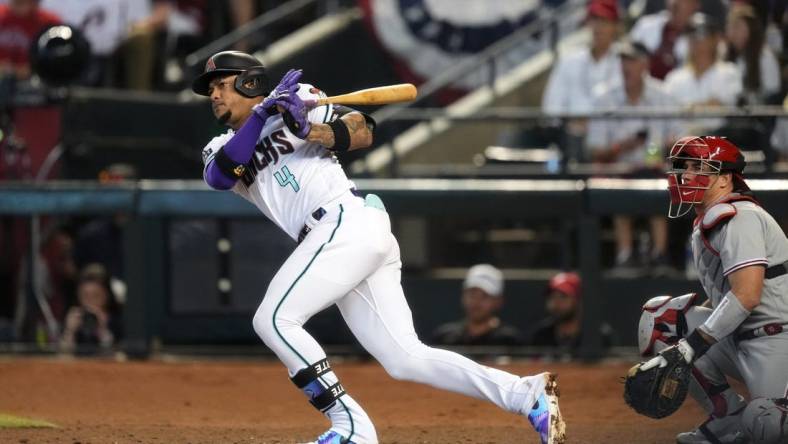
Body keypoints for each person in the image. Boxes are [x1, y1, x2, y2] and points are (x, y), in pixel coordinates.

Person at [192, 51, 566, 444]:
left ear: (250, 82)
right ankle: (525, 394)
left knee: (273, 320)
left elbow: (361, 129)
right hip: (334, 241)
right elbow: (222, 173)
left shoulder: (299, 97)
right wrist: (262, 116)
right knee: (406, 358)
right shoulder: (220, 145)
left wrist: (308, 129)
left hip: (345, 222)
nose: (214, 95)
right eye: (211, 89)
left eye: (222, 85)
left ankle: (351, 426)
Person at [639, 135, 788, 443]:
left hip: (779, 340)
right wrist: (689, 340)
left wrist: (691, 346)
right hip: (742, 340)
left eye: (698, 167)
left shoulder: (740, 216)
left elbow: (747, 295)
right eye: (683, 167)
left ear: (723, 178)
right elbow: (727, 296)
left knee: (766, 424)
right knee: (663, 322)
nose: (686, 175)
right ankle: (726, 418)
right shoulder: (710, 217)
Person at [586, 39, 680, 274]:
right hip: (619, 170)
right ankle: (624, 254)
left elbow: (680, 139)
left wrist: (665, 147)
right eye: (623, 60)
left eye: (632, 60)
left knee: (658, 180)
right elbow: (595, 150)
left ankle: (660, 255)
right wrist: (623, 146)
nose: (626, 66)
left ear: (644, 64)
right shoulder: (605, 98)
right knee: (621, 183)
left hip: (657, 168)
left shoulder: (663, 95)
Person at [541, 0, 622, 162]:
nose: (598, 27)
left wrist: (593, 126)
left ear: (615, 26)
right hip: (569, 141)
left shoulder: (623, 62)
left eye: (604, 21)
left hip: (611, 143)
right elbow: (551, 107)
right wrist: (572, 124)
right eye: (595, 20)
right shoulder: (569, 60)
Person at [664, 13, 742, 135]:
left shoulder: (729, 72)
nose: (697, 42)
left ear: (715, 39)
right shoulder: (674, 78)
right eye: (692, 37)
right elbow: (668, 114)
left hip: (718, 144)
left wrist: (687, 109)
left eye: (703, 36)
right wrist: (706, 105)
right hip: (681, 146)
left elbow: (724, 106)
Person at [431, 264, 523, 346]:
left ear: (498, 301)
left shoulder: (510, 341)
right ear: (463, 297)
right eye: (472, 295)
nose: (476, 302)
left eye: (485, 296)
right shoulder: (445, 338)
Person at [529, 272, 614, 353]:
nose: (556, 303)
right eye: (552, 297)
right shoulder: (541, 335)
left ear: (579, 301)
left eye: (563, 297)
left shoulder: (598, 336)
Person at [724, 2, 782, 105]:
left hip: (758, 114)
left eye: (737, 26)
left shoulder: (765, 57)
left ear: (751, 29)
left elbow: (773, 93)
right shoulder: (725, 54)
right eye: (730, 27)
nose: (733, 32)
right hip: (730, 113)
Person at [59, 263, 122, 354]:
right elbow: (63, 357)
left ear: (107, 296)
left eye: (96, 296)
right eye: (85, 296)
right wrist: (70, 332)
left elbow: (118, 357)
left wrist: (103, 330)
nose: (90, 302)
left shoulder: (116, 322)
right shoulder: (75, 319)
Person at [630, 0, 700, 79]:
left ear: (696, 5)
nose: (675, 3)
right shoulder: (645, 26)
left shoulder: (704, 38)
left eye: (683, 1)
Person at [0, 0, 60, 80]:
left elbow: (58, 54)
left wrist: (34, 68)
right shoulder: (2, 15)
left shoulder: (49, 22)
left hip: (32, 80)